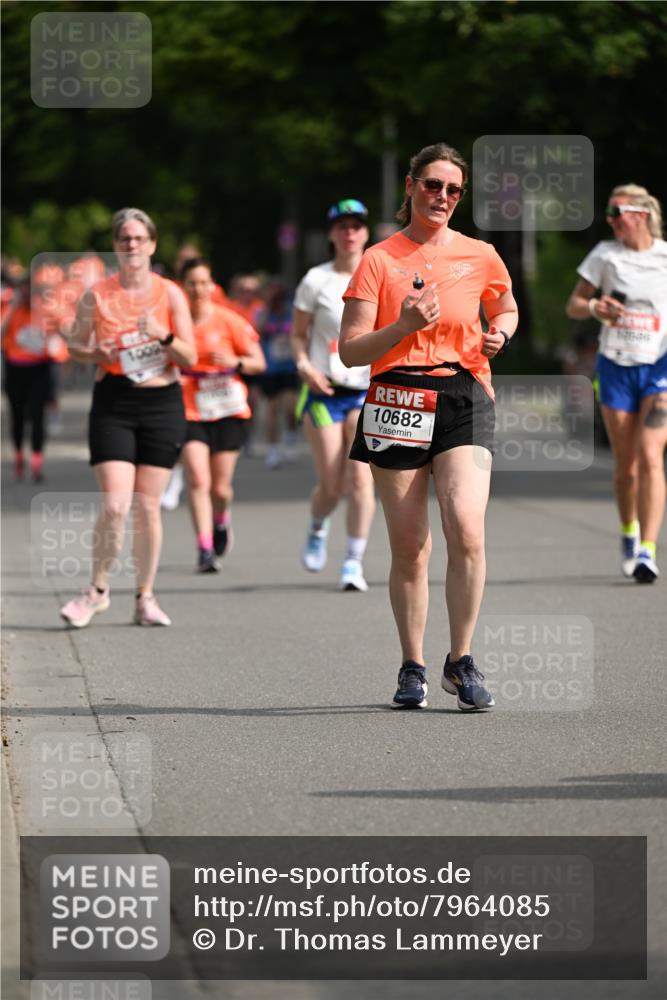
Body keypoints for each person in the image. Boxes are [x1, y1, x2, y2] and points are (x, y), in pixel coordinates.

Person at [339, 143, 518, 711]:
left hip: (465, 392)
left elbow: (507, 306)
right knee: (411, 546)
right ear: (411, 187)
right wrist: (403, 325)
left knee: (467, 529)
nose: (442, 197)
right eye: (433, 185)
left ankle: (459, 661)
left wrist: (501, 335)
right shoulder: (378, 258)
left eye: (454, 190)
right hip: (397, 396)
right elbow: (349, 351)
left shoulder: (481, 254)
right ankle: (412, 665)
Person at [59, 207, 197, 628]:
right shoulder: (97, 294)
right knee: (116, 505)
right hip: (114, 402)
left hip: (161, 403)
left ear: (152, 244)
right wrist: (93, 353)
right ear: (116, 246)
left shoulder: (170, 293)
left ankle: (145, 597)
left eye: (139, 238)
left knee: (147, 507)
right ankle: (97, 591)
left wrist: (163, 334)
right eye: (125, 239)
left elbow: (190, 356)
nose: (132, 245)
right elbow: (74, 346)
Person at [566, 185, 667, 583]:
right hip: (615, 367)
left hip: (659, 367)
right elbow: (574, 304)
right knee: (626, 466)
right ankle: (628, 533)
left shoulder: (665, 257)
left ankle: (648, 548)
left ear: (640, 214)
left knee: (651, 454)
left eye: (616, 211)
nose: (610, 219)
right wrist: (595, 307)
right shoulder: (605, 256)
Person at [292, 199, 376, 592]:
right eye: (342, 226)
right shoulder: (315, 280)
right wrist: (304, 367)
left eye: (356, 225)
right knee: (332, 483)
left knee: (360, 478)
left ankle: (353, 563)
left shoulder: (380, 276)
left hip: (364, 392)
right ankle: (317, 524)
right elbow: (297, 335)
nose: (349, 232)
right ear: (331, 234)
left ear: (366, 232)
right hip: (324, 393)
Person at [179, 258, 266, 572]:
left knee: (220, 488)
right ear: (182, 287)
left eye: (204, 282)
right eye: (192, 283)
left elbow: (259, 362)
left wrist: (234, 361)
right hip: (190, 408)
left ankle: (220, 520)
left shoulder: (228, 320)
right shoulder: (175, 324)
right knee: (197, 478)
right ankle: (204, 549)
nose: (198, 289)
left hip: (227, 408)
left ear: (212, 285)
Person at [257, 280, 299, 469]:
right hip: (270, 369)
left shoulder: (291, 311)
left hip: (289, 368)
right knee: (272, 409)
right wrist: (268, 307)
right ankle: (272, 450)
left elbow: (301, 331)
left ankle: (290, 434)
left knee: (291, 408)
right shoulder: (263, 313)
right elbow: (256, 331)